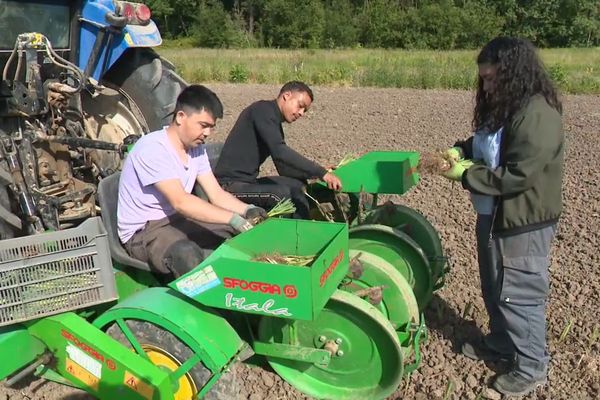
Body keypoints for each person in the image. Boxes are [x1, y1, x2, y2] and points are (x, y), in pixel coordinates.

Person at [441, 37, 564, 397]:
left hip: (523, 218)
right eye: (484, 80)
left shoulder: (538, 114)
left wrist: (465, 175)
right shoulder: (507, 106)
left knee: (520, 291)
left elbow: (518, 174)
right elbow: (488, 144)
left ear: (515, 75)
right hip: (494, 212)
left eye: (494, 79)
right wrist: (460, 149)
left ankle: (531, 366)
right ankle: (501, 341)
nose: (488, 86)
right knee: (494, 283)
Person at [117, 85, 267, 278]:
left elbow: (216, 194)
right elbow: (181, 201)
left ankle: (247, 285)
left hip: (177, 219)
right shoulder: (153, 149)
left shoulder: (195, 149)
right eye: (203, 125)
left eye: (211, 127)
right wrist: (233, 218)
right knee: (186, 254)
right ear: (181, 117)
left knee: (240, 232)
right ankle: (210, 305)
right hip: (144, 231)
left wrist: (246, 210)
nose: (207, 133)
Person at [214, 81, 342, 219]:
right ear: (287, 95)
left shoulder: (273, 123)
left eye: (305, 110)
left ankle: (303, 228)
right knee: (280, 195)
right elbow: (280, 152)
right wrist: (321, 172)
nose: (301, 113)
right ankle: (285, 237)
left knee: (297, 185)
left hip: (247, 183)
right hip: (229, 186)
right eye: (300, 106)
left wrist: (313, 175)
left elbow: (283, 169)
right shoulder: (261, 110)